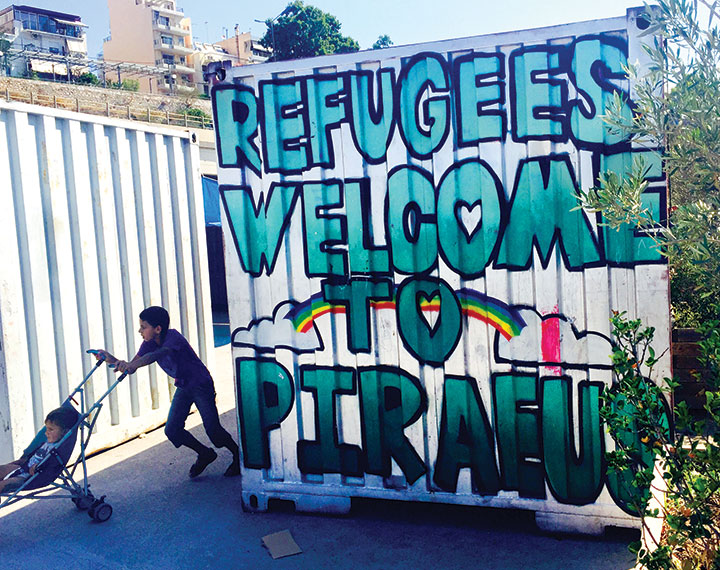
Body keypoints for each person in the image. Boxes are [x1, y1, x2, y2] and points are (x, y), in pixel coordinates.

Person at [95, 306, 240, 479]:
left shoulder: (173, 337)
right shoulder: (148, 343)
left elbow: (155, 355)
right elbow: (132, 366)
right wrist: (110, 359)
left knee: (213, 430)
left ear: (158, 329)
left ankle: (238, 455)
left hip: (201, 385)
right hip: (184, 387)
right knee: (172, 430)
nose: (140, 331)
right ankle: (205, 453)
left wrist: (132, 364)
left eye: (143, 327)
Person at [0, 406, 78, 493]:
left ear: (65, 432)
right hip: (23, 467)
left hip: (30, 476)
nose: (46, 433)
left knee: (3, 485)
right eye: (47, 428)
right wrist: (22, 460)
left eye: (51, 429)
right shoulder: (48, 442)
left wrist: (39, 467)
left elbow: (52, 465)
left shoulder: (59, 448)